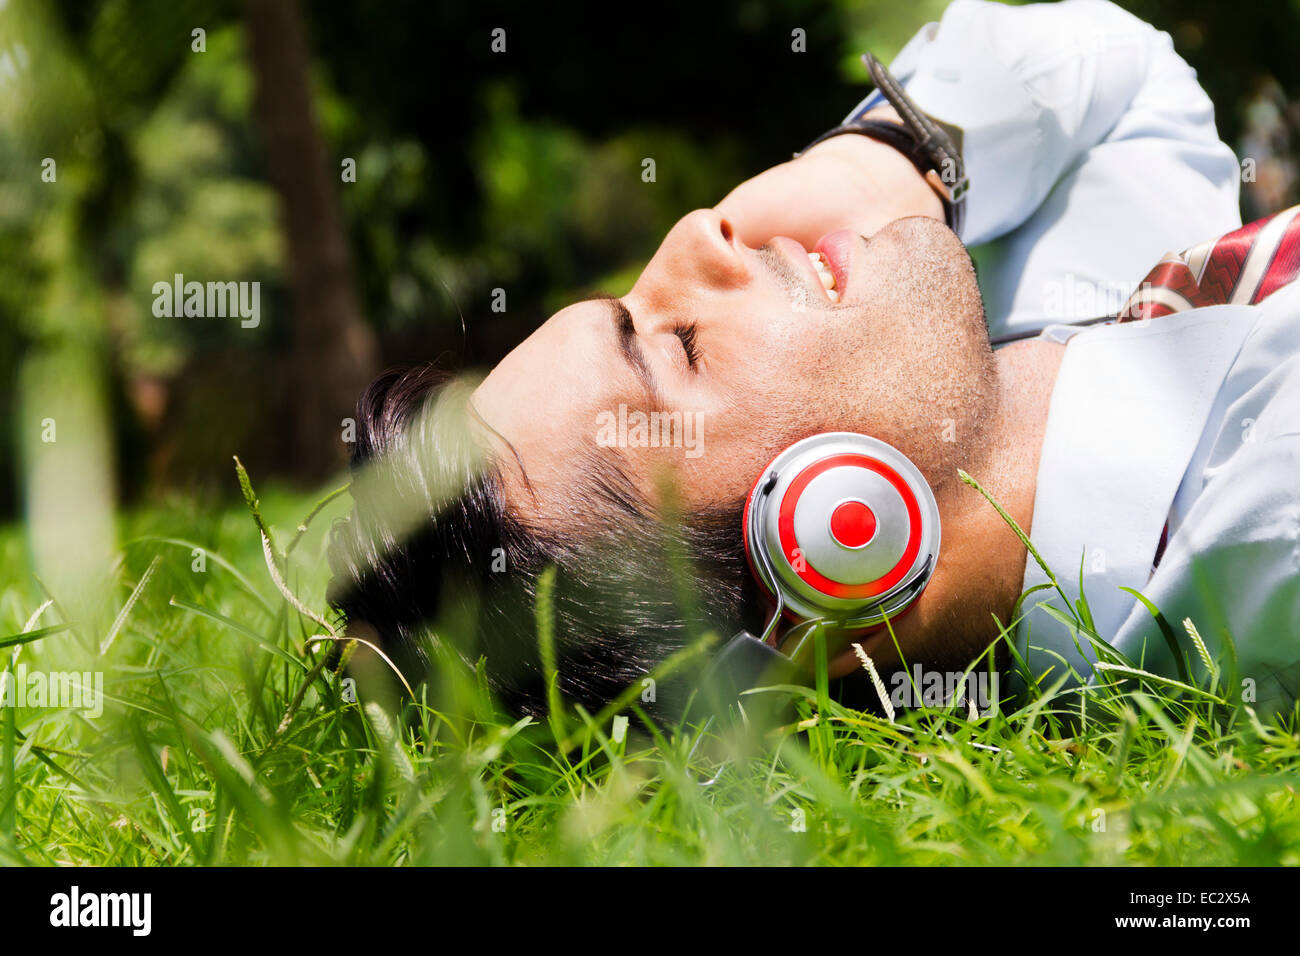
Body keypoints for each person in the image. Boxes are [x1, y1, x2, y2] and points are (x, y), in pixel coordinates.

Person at [328, 0, 1299, 721]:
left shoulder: (1054, 368)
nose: (697, 230)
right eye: (673, 346)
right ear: (831, 548)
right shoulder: (1271, 501)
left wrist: (881, 155)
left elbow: (1125, 80)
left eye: (631, 302)